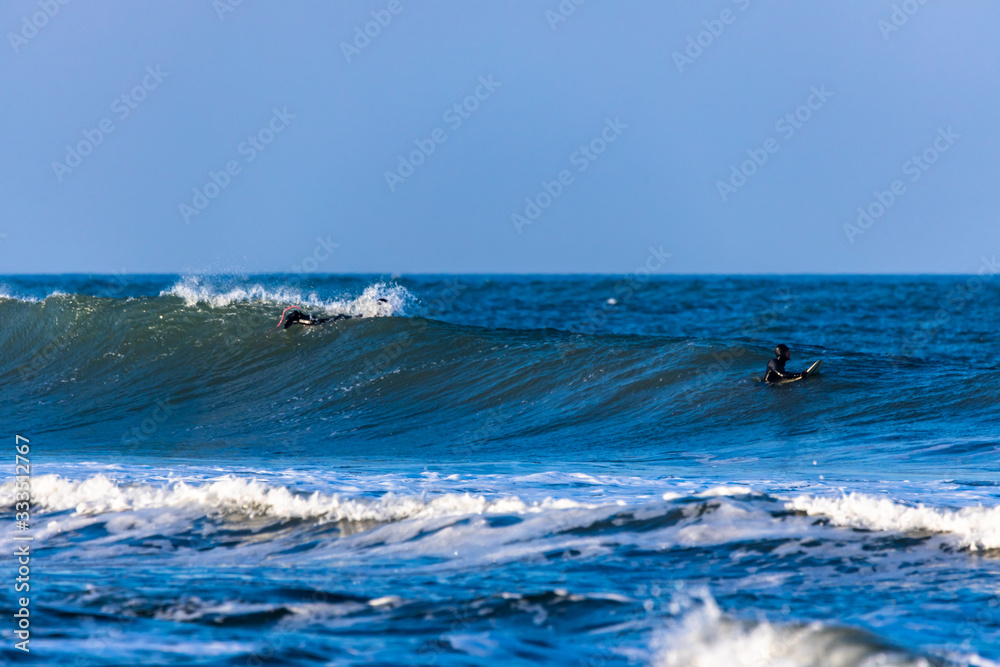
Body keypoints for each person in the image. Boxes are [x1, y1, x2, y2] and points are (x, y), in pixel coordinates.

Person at [276, 299, 390, 329]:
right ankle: (299, 317)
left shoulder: (370, 310)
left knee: (335, 318)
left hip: (310, 319)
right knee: (328, 320)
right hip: (309, 319)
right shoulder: (294, 319)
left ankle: (301, 318)